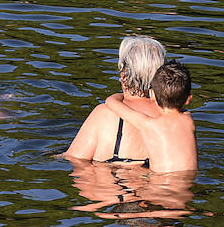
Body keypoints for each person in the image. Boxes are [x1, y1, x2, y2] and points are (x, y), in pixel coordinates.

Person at [62, 35, 168, 165]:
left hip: (111, 181)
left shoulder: (104, 113)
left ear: (124, 73)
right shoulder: (174, 116)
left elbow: (74, 158)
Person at [100, 60, 197, 174]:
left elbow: (110, 102)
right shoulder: (188, 119)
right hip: (188, 183)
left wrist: (126, 94)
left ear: (152, 94)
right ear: (189, 99)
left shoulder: (148, 124)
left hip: (159, 186)